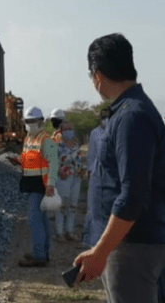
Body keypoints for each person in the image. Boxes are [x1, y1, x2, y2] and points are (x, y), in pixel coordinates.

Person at [73, 33, 165, 303]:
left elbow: (133, 195)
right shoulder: (128, 111)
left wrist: (100, 252)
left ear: (97, 75)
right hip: (127, 243)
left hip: (131, 246)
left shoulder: (131, 117)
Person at [17, 106, 59, 267]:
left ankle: (39, 255)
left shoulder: (45, 140)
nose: (30, 124)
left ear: (41, 121)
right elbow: (32, 161)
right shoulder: (29, 138)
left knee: (34, 219)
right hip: (32, 183)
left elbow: (53, 163)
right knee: (42, 220)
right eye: (27, 121)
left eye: (32, 121)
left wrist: (50, 185)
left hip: (40, 186)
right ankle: (43, 252)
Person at [82, 108, 109, 247]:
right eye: (104, 117)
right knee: (92, 210)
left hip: (109, 175)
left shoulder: (114, 132)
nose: (106, 119)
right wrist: (90, 173)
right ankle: (90, 241)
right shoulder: (95, 133)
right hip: (96, 174)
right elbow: (91, 155)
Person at [54, 120, 83, 243]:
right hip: (63, 178)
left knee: (72, 206)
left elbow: (79, 159)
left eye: (70, 129)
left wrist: (82, 171)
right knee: (62, 206)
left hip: (76, 177)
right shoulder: (57, 144)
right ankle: (59, 233)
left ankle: (69, 231)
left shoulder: (76, 144)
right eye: (65, 129)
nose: (68, 131)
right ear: (61, 131)